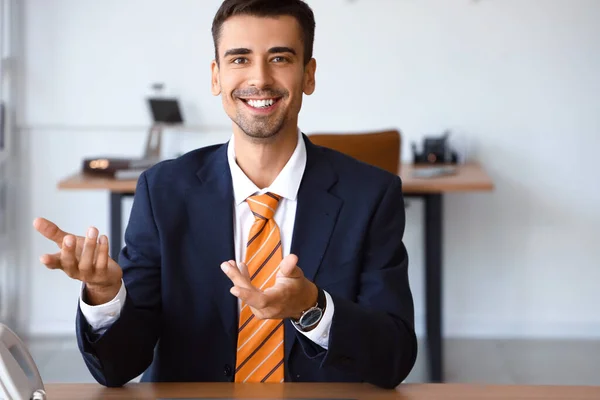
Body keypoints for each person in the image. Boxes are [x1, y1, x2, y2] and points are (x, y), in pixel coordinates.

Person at [33, 0, 417, 389]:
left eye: (280, 58)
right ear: (216, 77)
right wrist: (103, 294)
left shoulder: (370, 195)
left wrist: (313, 308)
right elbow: (117, 369)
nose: (260, 78)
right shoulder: (163, 192)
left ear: (309, 75)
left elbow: (395, 357)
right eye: (239, 60)